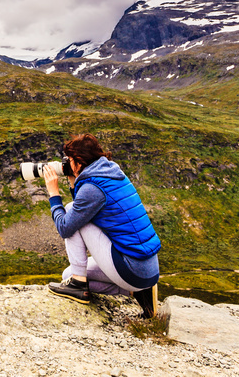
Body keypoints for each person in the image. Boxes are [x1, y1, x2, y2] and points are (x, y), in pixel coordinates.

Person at [42, 133, 161, 317]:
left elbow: (66, 227)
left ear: (79, 162)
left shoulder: (93, 188)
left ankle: (78, 285)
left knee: (70, 209)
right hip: (147, 271)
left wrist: (53, 194)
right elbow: (86, 208)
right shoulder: (110, 173)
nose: (66, 163)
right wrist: (74, 184)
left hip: (132, 268)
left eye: (69, 160)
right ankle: (135, 292)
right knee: (68, 275)